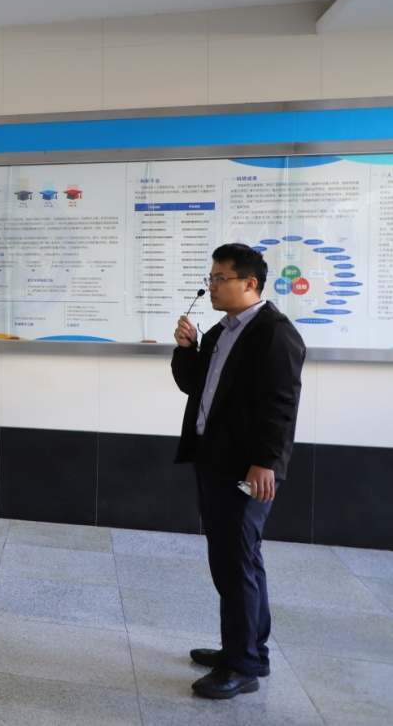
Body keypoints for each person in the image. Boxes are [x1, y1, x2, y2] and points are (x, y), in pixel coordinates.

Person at [172, 243, 306, 701]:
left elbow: (280, 404)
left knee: (235, 563)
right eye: (210, 278)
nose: (211, 286)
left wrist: (265, 462)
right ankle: (250, 650)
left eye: (219, 278)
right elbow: (195, 385)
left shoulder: (274, 334)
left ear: (249, 283)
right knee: (240, 558)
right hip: (214, 457)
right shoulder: (222, 330)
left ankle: (242, 665)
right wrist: (187, 348)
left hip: (245, 466)